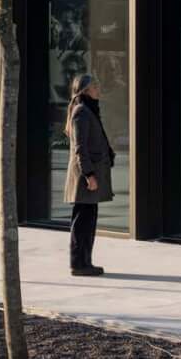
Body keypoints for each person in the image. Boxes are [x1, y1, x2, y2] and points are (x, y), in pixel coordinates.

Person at [64, 71, 115, 277]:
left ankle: (85, 262)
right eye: (95, 87)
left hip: (90, 175)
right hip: (86, 177)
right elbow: (80, 148)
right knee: (83, 221)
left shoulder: (88, 111)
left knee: (87, 220)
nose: (98, 90)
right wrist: (89, 175)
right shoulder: (81, 112)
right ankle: (79, 264)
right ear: (85, 91)